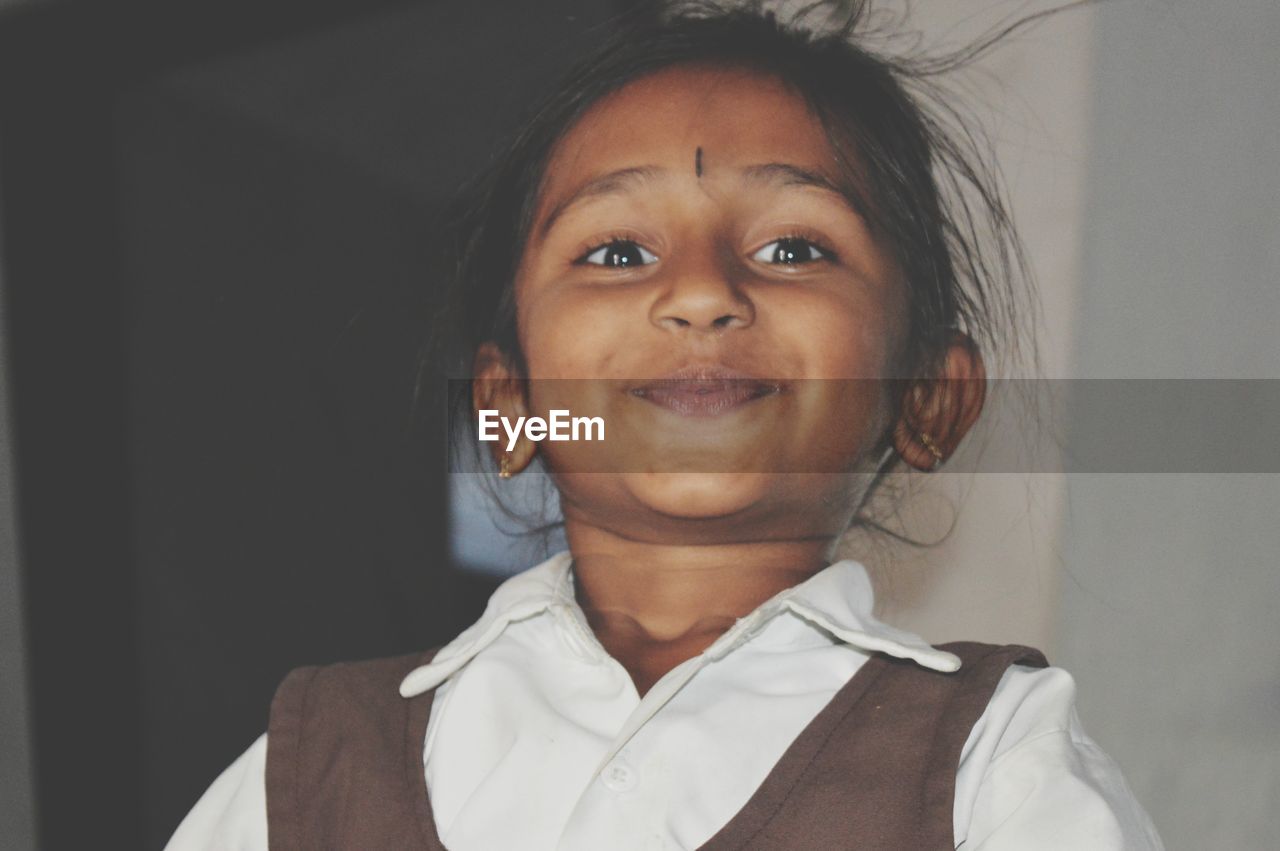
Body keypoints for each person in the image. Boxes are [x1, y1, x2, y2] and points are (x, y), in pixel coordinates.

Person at [167, 3, 1165, 848]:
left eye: (790, 246)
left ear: (925, 398)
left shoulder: (994, 763)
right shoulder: (305, 774)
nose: (698, 293)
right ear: (506, 405)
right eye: (612, 252)